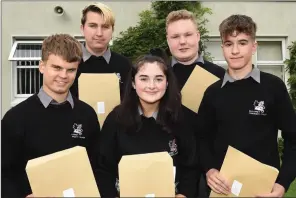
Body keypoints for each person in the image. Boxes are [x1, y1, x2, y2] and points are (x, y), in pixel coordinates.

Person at [198, 14, 296, 197]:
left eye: (242, 43)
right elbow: (202, 139)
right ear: (222, 48)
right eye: (229, 44)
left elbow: (294, 139)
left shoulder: (273, 87)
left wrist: (282, 183)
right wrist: (210, 169)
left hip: (263, 191)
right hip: (223, 190)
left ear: (254, 46)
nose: (235, 50)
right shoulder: (212, 92)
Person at [1, 34, 101, 198]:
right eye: (57, 68)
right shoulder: (16, 118)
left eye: (71, 70)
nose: (63, 76)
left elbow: (96, 166)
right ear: (42, 66)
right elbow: (4, 173)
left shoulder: (87, 115)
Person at [95, 54, 199, 198]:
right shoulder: (115, 119)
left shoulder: (181, 118)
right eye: (143, 79)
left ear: (167, 83)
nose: (151, 86)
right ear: (133, 82)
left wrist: (184, 194)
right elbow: (103, 168)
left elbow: (190, 165)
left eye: (159, 79)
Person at [164, 9, 226, 197]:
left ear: (198, 36)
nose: (182, 41)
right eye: (175, 36)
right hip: (171, 166)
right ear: (167, 40)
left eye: (188, 34)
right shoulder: (157, 76)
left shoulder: (220, 76)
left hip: (215, 169)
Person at [70, 2, 131, 100]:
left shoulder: (124, 65)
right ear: (82, 29)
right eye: (93, 26)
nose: (99, 33)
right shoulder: (70, 63)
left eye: (105, 27)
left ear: (112, 30)